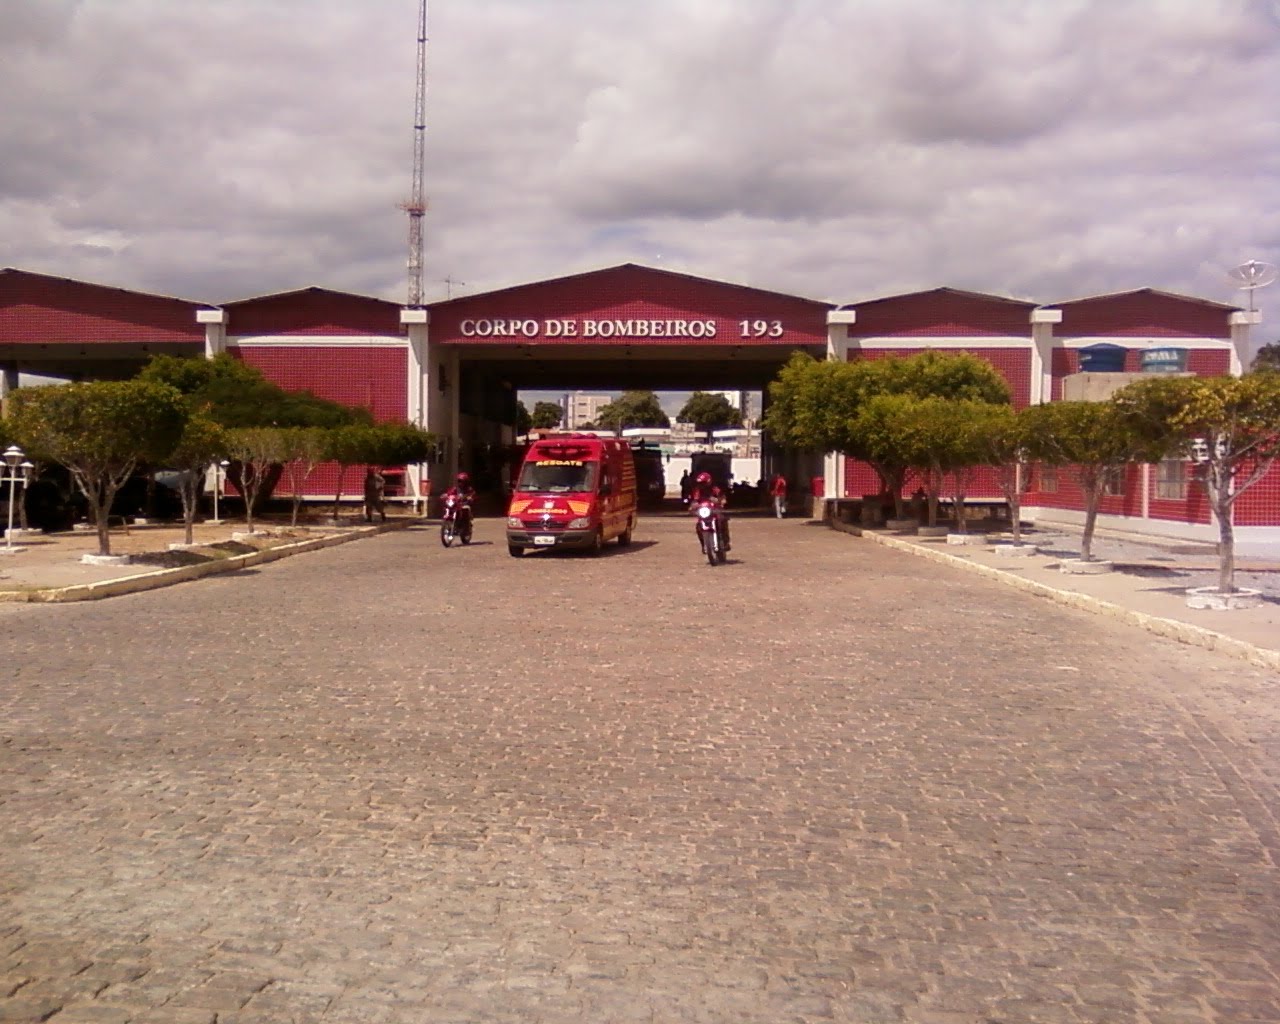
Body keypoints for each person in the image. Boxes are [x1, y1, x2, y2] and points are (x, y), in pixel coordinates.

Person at [688, 471, 730, 550]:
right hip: (704, 511)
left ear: (708, 481)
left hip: (714, 510)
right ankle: (704, 544)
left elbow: (722, 496)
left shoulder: (714, 489)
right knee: (698, 526)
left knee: (722, 521)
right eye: (700, 483)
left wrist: (722, 501)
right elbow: (695, 500)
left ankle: (725, 542)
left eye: (703, 483)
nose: (702, 485)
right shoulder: (698, 491)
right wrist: (692, 506)